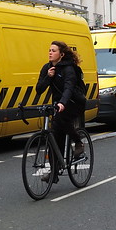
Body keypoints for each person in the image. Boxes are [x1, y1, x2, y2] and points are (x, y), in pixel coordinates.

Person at [36, 41, 86, 182]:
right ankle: (54, 172)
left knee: (60, 120)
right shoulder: (47, 68)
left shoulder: (68, 69)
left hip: (74, 102)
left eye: (53, 50)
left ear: (61, 54)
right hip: (58, 104)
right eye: (49, 50)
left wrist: (62, 103)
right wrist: (48, 77)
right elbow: (39, 89)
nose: (50, 53)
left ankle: (78, 141)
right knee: (54, 136)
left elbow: (68, 88)